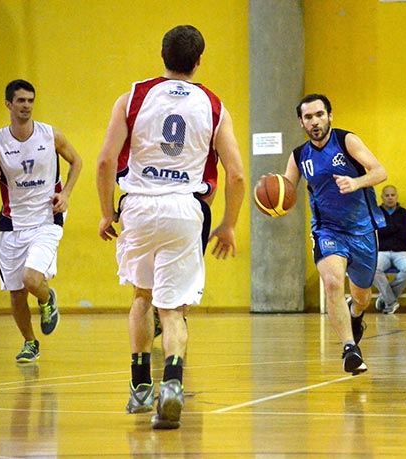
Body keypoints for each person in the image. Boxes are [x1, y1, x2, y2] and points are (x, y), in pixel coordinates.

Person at [96, 25, 245, 430]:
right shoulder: (214, 105)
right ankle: (173, 385)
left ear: (162, 55)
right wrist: (228, 225)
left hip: (140, 206)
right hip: (184, 208)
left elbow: (106, 162)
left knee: (142, 298)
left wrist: (107, 212)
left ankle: (141, 387)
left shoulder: (133, 96)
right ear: (199, 60)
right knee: (173, 309)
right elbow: (236, 176)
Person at [283, 93, 387, 374]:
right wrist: (272, 199)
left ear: (330, 116)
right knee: (331, 282)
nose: (314, 121)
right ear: (301, 123)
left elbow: (380, 172)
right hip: (327, 230)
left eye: (319, 114)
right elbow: (285, 194)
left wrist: (356, 182)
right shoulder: (298, 157)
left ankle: (356, 314)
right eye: (308, 117)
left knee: (362, 295)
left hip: (362, 229)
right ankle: (349, 349)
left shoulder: (347, 141)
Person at [0, 80, 82, 363]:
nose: (26, 106)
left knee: (31, 279)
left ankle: (46, 297)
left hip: (46, 219)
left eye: (30, 100)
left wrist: (66, 193)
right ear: (8, 104)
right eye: (21, 101)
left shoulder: (50, 135)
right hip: (11, 225)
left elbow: (77, 161)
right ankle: (30, 343)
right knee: (16, 293)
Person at [373, 185, 406, 314]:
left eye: (392, 195)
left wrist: (386, 230)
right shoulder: (375, 214)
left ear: (396, 196)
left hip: (402, 252)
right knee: (372, 269)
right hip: (381, 251)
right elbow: (373, 233)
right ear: (382, 197)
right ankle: (391, 302)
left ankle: (385, 297)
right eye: (387, 195)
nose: (390, 198)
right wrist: (396, 228)